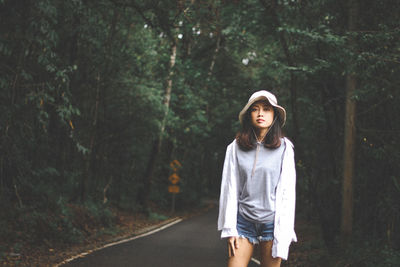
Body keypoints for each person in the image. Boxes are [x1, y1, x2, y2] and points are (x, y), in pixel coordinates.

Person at [217, 90, 297, 267]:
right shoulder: (235, 147)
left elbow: (287, 194)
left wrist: (283, 233)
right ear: (249, 115)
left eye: (267, 109)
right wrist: (230, 229)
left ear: (274, 115)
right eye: (255, 109)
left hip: (272, 223)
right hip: (243, 222)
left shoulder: (285, 149)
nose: (261, 113)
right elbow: (229, 189)